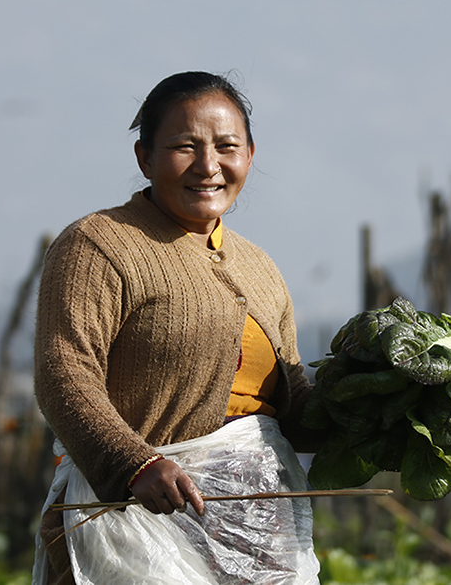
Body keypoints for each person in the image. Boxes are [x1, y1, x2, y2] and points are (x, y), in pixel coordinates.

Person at [32, 72, 322, 585]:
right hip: (136, 524)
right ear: (144, 157)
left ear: (250, 155)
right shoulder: (98, 245)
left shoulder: (260, 268)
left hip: (258, 531)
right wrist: (133, 465)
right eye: (184, 147)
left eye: (227, 147)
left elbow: (293, 404)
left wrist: (385, 403)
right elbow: (65, 372)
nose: (208, 166)